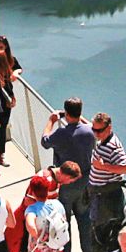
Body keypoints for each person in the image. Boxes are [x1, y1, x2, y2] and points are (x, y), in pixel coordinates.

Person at [40, 100, 95, 242]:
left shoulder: (61, 133)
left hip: (65, 184)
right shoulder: (90, 132)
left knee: (63, 221)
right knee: (84, 219)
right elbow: (89, 126)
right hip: (84, 182)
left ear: (67, 113)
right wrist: (78, 117)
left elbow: (45, 141)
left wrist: (51, 121)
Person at [85, 112, 126, 252]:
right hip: (98, 195)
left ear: (109, 128)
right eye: (94, 130)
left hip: (105, 199)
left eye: (99, 131)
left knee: (100, 237)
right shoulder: (103, 140)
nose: (95, 134)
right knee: (96, 234)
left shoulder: (113, 146)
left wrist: (103, 167)